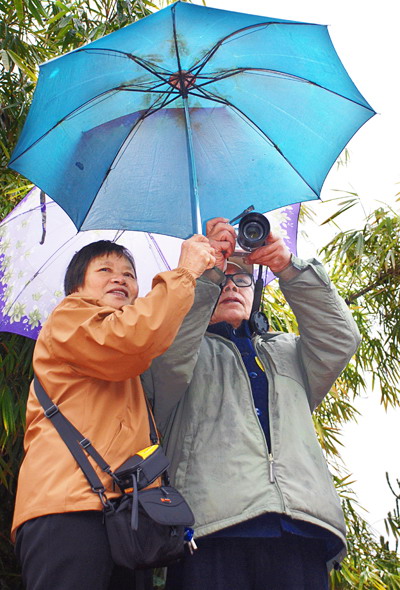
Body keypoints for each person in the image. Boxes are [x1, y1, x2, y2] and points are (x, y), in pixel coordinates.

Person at [141, 217, 361, 590]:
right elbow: (166, 363)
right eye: (222, 276)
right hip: (209, 532)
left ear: (255, 288)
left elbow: (340, 338)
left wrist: (287, 267)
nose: (231, 285)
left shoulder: (288, 351)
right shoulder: (178, 351)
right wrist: (202, 276)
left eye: (241, 276)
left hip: (301, 529)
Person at [12, 235, 216, 590]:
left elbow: (154, 337)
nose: (119, 278)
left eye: (129, 273)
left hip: (126, 514)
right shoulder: (69, 317)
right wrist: (185, 273)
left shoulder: (132, 346)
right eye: (104, 269)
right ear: (78, 284)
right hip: (68, 509)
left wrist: (209, 271)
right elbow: (131, 339)